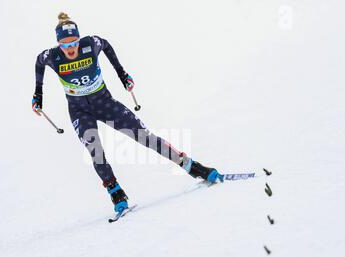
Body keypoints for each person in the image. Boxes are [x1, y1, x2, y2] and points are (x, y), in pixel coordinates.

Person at [32, 12, 223, 214]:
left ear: (79, 40)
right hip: (79, 111)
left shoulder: (91, 44)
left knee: (145, 137)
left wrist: (122, 74)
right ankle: (117, 195)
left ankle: (193, 167)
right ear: (59, 45)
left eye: (74, 43)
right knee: (95, 151)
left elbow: (105, 45)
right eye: (65, 45)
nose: (70, 49)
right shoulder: (52, 56)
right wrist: (38, 94)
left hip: (104, 103)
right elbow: (38, 62)